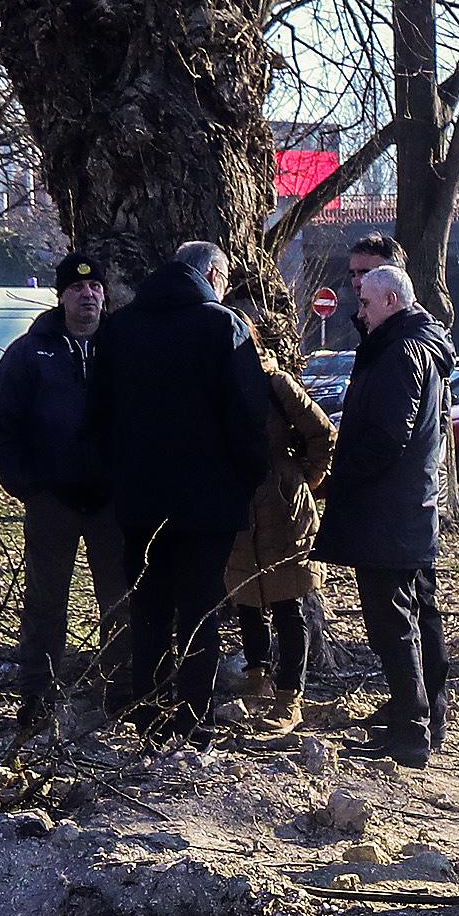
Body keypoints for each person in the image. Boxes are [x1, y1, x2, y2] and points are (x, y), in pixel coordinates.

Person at [91, 239, 268, 738]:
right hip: (207, 501)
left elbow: (97, 416)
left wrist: (117, 480)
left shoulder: (120, 328)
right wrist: (245, 479)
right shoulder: (223, 326)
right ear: (213, 275)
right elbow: (248, 415)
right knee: (199, 607)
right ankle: (192, 716)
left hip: (138, 500)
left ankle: (147, 710)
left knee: (148, 606)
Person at [315, 259, 455, 768]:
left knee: (391, 619)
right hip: (406, 508)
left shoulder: (401, 350)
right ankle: (423, 715)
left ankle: (412, 726)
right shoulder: (413, 344)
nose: (360, 312)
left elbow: (387, 436)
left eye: (366, 304)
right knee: (416, 612)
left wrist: (341, 476)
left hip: (388, 510)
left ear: (392, 302)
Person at [0, 249, 117, 742]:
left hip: (111, 502)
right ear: (60, 296)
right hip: (53, 500)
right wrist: (27, 486)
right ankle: (37, 699)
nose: (88, 295)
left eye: (96, 287)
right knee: (44, 604)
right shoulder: (30, 351)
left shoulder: (122, 348)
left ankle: (119, 696)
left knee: (120, 600)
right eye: (78, 288)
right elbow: (3, 423)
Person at [220, 344, 338, 735]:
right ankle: (257, 681)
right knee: (246, 601)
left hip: (283, 511)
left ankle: (290, 698)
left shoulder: (276, 384)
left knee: (289, 605)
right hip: (235, 508)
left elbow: (323, 433)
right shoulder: (211, 382)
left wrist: (303, 477)